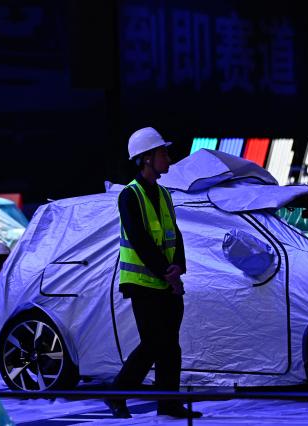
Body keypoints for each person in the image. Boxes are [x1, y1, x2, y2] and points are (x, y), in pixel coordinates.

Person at [105, 127, 201, 419]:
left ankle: (168, 402)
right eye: (163, 153)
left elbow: (174, 233)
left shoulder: (163, 193)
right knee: (154, 343)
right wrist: (166, 272)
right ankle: (117, 393)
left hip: (166, 282)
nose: (168, 158)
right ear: (146, 158)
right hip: (143, 283)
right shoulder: (129, 195)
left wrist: (179, 267)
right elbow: (139, 239)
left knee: (170, 344)